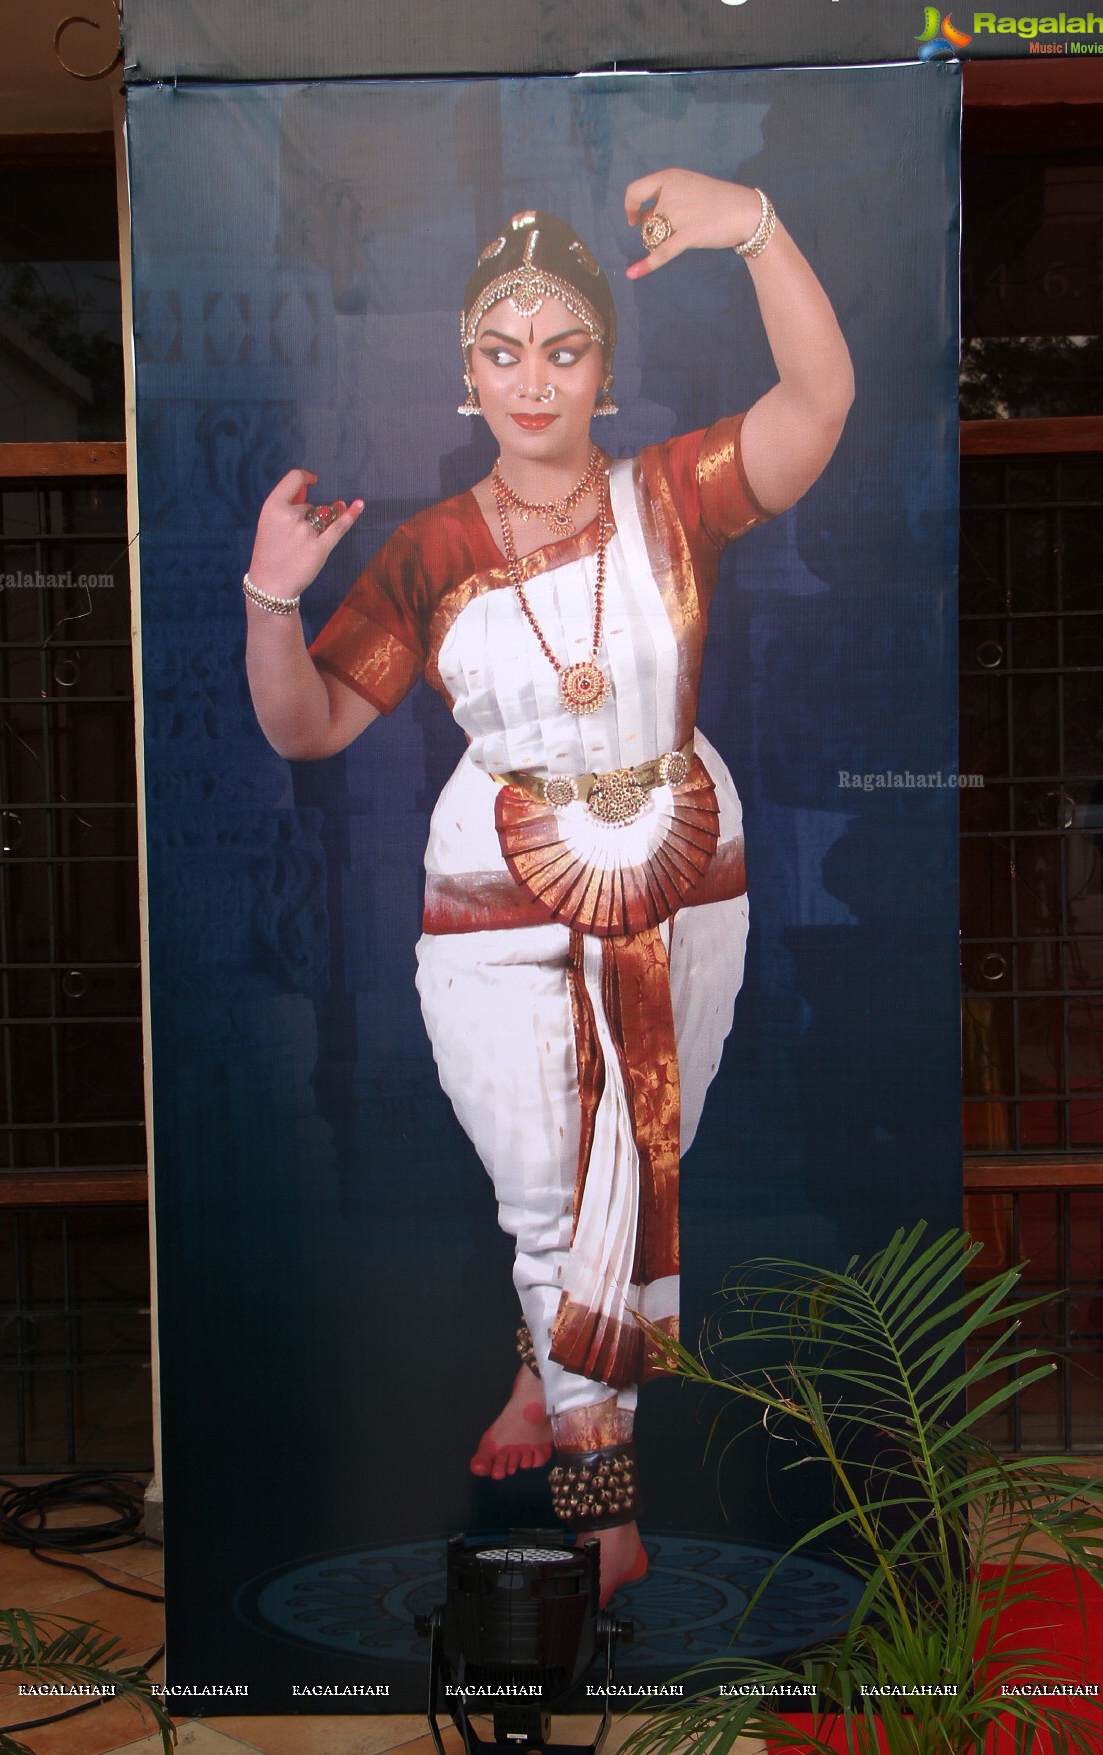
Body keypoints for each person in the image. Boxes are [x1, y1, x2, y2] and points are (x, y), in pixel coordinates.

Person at [244, 169, 853, 1602]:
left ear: (604, 367)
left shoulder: (675, 496)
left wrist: (760, 221)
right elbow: (308, 726)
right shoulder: (429, 553)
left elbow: (819, 404)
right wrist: (275, 600)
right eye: (503, 351)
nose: (533, 379)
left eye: (563, 348)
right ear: (468, 373)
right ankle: (603, 1503)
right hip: (495, 890)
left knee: (631, 1168)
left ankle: (543, 1372)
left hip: (685, 864)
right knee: (543, 1191)